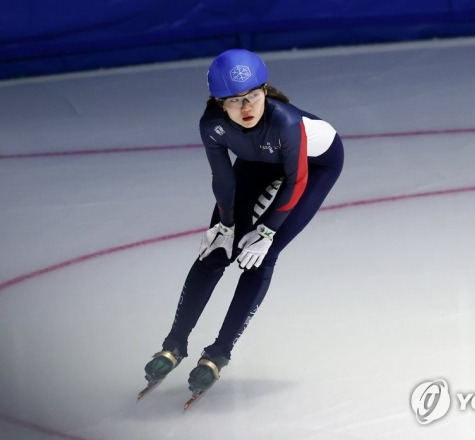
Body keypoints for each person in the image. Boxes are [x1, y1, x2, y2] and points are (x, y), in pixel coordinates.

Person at [143, 48, 344, 393]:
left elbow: (296, 181)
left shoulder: (286, 122)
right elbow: (223, 180)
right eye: (235, 100)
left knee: (261, 255)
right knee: (215, 252)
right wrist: (224, 224)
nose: (247, 107)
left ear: (265, 91)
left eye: (252, 95)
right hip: (259, 160)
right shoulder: (213, 126)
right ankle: (174, 344)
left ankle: (219, 353)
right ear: (220, 103)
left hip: (314, 167)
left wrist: (266, 231)